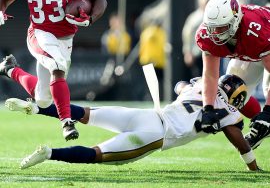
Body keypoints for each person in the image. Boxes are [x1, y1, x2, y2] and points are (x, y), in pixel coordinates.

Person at [5, 74, 261, 171]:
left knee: (84, 113)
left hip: (147, 115)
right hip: (155, 135)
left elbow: (180, 84)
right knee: (97, 154)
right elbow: (238, 141)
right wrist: (252, 166)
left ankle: (37, 108)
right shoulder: (229, 112)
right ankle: (50, 153)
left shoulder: (198, 86)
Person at [0, 0, 107, 141]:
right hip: (39, 33)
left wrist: (90, 19)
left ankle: (9, 69)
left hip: (65, 37)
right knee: (57, 66)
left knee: (42, 100)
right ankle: (66, 122)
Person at [195, 0, 270, 149]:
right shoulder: (208, 34)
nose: (216, 33)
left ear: (235, 20)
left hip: (263, 45)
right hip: (252, 51)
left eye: (221, 27)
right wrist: (208, 108)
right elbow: (210, 74)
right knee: (230, 91)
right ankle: (260, 127)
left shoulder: (256, 30)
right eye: (212, 28)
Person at [182, 0, 209, 78]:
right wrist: (188, 52)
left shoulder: (212, 15)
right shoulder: (195, 18)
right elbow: (187, 34)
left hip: (211, 51)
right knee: (199, 77)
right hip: (197, 53)